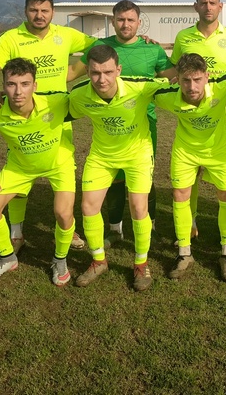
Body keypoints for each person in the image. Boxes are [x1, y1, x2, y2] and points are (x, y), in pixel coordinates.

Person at [0, 0, 95, 253]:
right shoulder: (11, 38)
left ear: (53, 12)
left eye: (44, 10)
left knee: (63, 174)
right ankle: (16, 232)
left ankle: (67, 227)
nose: (39, 15)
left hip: (57, 117)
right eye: (34, 10)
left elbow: (97, 48)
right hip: (21, 117)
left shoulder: (66, 35)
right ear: (25, 11)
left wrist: (73, 72)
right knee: (20, 174)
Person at [70, 0, 176, 247]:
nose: (125, 24)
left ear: (139, 22)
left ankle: (150, 227)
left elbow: (173, 78)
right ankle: (115, 229)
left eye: (130, 20)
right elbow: (73, 73)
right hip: (110, 125)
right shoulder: (100, 48)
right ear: (113, 21)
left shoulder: (152, 50)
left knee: (144, 180)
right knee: (114, 178)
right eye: (120, 19)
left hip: (144, 125)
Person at [152, 53, 226, 282]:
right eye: (186, 80)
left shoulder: (223, 85)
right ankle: (184, 253)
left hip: (218, 151)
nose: (192, 87)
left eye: (197, 80)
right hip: (185, 152)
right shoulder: (166, 94)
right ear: (177, 79)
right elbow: (139, 88)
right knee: (180, 195)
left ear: (207, 77)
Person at [0, 58, 76, 286]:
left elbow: (93, 98)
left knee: (64, 214)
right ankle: (7, 258)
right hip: (19, 167)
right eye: (11, 84)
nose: (18, 92)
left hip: (59, 165)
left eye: (25, 84)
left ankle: (60, 260)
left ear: (35, 85)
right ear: (3, 86)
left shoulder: (56, 101)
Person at [68, 45, 169, 291]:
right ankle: (98, 261)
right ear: (87, 72)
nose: (101, 79)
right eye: (95, 73)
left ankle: (141, 264)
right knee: (88, 207)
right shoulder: (79, 95)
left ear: (119, 70)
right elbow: (54, 110)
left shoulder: (140, 86)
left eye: (108, 72)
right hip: (102, 156)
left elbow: (177, 84)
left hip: (138, 155)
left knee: (139, 207)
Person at [170, 0, 226, 239]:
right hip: (191, 120)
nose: (208, 7)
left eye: (212, 3)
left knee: (224, 182)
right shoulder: (183, 37)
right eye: (203, 3)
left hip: (223, 120)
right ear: (196, 6)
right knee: (190, 177)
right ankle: (191, 221)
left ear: (220, 6)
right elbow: (174, 71)